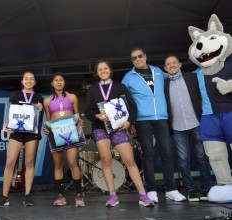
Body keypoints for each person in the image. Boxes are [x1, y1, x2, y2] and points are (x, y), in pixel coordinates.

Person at [84, 60, 153, 207]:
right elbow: (87, 111)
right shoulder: (92, 90)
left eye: (105, 68)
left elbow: (132, 106)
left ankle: (143, 195)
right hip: (100, 128)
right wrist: (97, 116)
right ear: (97, 73)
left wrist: (129, 122)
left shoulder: (120, 87)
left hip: (119, 128)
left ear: (110, 70)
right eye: (100, 69)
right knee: (106, 159)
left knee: (129, 160)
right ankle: (112, 195)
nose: (103, 71)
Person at [122, 48, 186, 203]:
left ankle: (171, 189)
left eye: (140, 56)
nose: (137, 59)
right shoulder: (128, 77)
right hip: (142, 120)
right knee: (148, 155)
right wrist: (130, 120)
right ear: (132, 61)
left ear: (145, 56)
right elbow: (123, 100)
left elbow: (175, 78)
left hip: (162, 118)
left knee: (167, 153)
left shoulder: (158, 71)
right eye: (134, 58)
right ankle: (151, 191)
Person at [163, 55, 211, 201]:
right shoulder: (164, 84)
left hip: (196, 122)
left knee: (202, 157)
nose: (171, 65)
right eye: (168, 64)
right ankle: (190, 189)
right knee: (183, 160)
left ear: (180, 64)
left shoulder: (192, 77)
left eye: (174, 62)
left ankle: (206, 188)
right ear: (165, 68)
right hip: (177, 127)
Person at [0, 71, 44, 208]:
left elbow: (38, 119)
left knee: (29, 162)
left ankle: (27, 195)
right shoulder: (15, 94)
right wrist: (7, 126)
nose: (28, 81)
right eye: (26, 79)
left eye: (31, 79)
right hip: (16, 132)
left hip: (31, 133)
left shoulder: (39, 97)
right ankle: (4, 196)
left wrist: (40, 110)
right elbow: (9, 112)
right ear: (22, 81)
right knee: (10, 162)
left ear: (35, 82)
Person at [43, 73, 85, 207]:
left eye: (61, 80)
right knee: (58, 164)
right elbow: (48, 120)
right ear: (52, 83)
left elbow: (77, 116)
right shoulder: (47, 101)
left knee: (72, 162)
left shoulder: (72, 97)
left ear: (64, 82)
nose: (59, 82)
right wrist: (46, 129)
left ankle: (79, 195)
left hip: (71, 132)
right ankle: (60, 196)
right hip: (55, 133)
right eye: (56, 80)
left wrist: (80, 123)